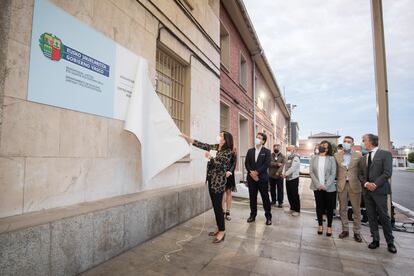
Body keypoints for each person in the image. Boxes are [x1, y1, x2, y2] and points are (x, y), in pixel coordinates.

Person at [180, 131, 233, 243]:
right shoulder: (215, 147)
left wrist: (211, 157)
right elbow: (201, 144)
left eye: (221, 135)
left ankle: (222, 231)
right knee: (215, 206)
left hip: (218, 183)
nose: (218, 136)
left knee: (218, 207)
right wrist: (187, 138)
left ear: (225, 139)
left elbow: (222, 166)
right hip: (210, 181)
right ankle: (219, 228)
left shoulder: (228, 151)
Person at [358, 134, 397, 253]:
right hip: (367, 192)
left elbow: (387, 172)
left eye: (364, 140)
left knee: (384, 216)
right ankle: (375, 239)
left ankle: (390, 242)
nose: (363, 142)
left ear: (370, 141)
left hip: (379, 191)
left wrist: (375, 184)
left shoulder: (385, 154)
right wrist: (366, 184)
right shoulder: (363, 158)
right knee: (371, 216)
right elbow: (360, 174)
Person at [335, 136, 363, 242]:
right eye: (345, 141)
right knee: (342, 209)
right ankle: (345, 230)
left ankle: (357, 232)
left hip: (354, 185)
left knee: (356, 210)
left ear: (352, 144)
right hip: (342, 185)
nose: (346, 143)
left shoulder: (358, 155)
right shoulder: (337, 155)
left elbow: (361, 170)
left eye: (349, 142)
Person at [310, 140, 337, 236]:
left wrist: (326, 185)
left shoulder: (331, 158)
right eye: (322, 145)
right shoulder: (313, 157)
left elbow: (333, 173)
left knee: (329, 208)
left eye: (325, 146)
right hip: (317, 187)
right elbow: (311, 172)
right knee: (319, 206)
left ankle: (329, 226)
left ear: (328, 148)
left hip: (329, 188)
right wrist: (318, 185)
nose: (322, 147)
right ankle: (320, 225)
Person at [245, 132, 272, 225]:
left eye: (259, 138)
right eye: (256, 137)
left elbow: (266, 164)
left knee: (265, 198)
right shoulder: (250, 151)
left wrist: (256, 173)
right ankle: (252, 215)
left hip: (262, 179)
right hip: (251, 178)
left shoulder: (267, 152)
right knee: (252, 198)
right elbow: (246, 163)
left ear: (263, 141)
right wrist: (251, 173)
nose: (257, 139)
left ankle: (268, 217)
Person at [282, 145, 301, 216]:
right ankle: (292, 208)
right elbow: (285, 166)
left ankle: (297, 210)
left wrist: (285, 174)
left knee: (294, 194)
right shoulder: (288, 157)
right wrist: (283, 173)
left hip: (293, 178)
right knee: (289, 194)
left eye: (289, 149)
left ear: (293, 150)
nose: (288, 151)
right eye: (287, 149)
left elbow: (293, 168)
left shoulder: (296, 157)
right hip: (288, 178)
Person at [223, 148, 237, 221]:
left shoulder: (233, 150)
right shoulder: (221, 148)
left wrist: (229, 172)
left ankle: (228, 212)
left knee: (228, 192)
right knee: (222, 193)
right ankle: (222, 211)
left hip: (229, 174)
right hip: (221, 174)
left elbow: (234, 163)